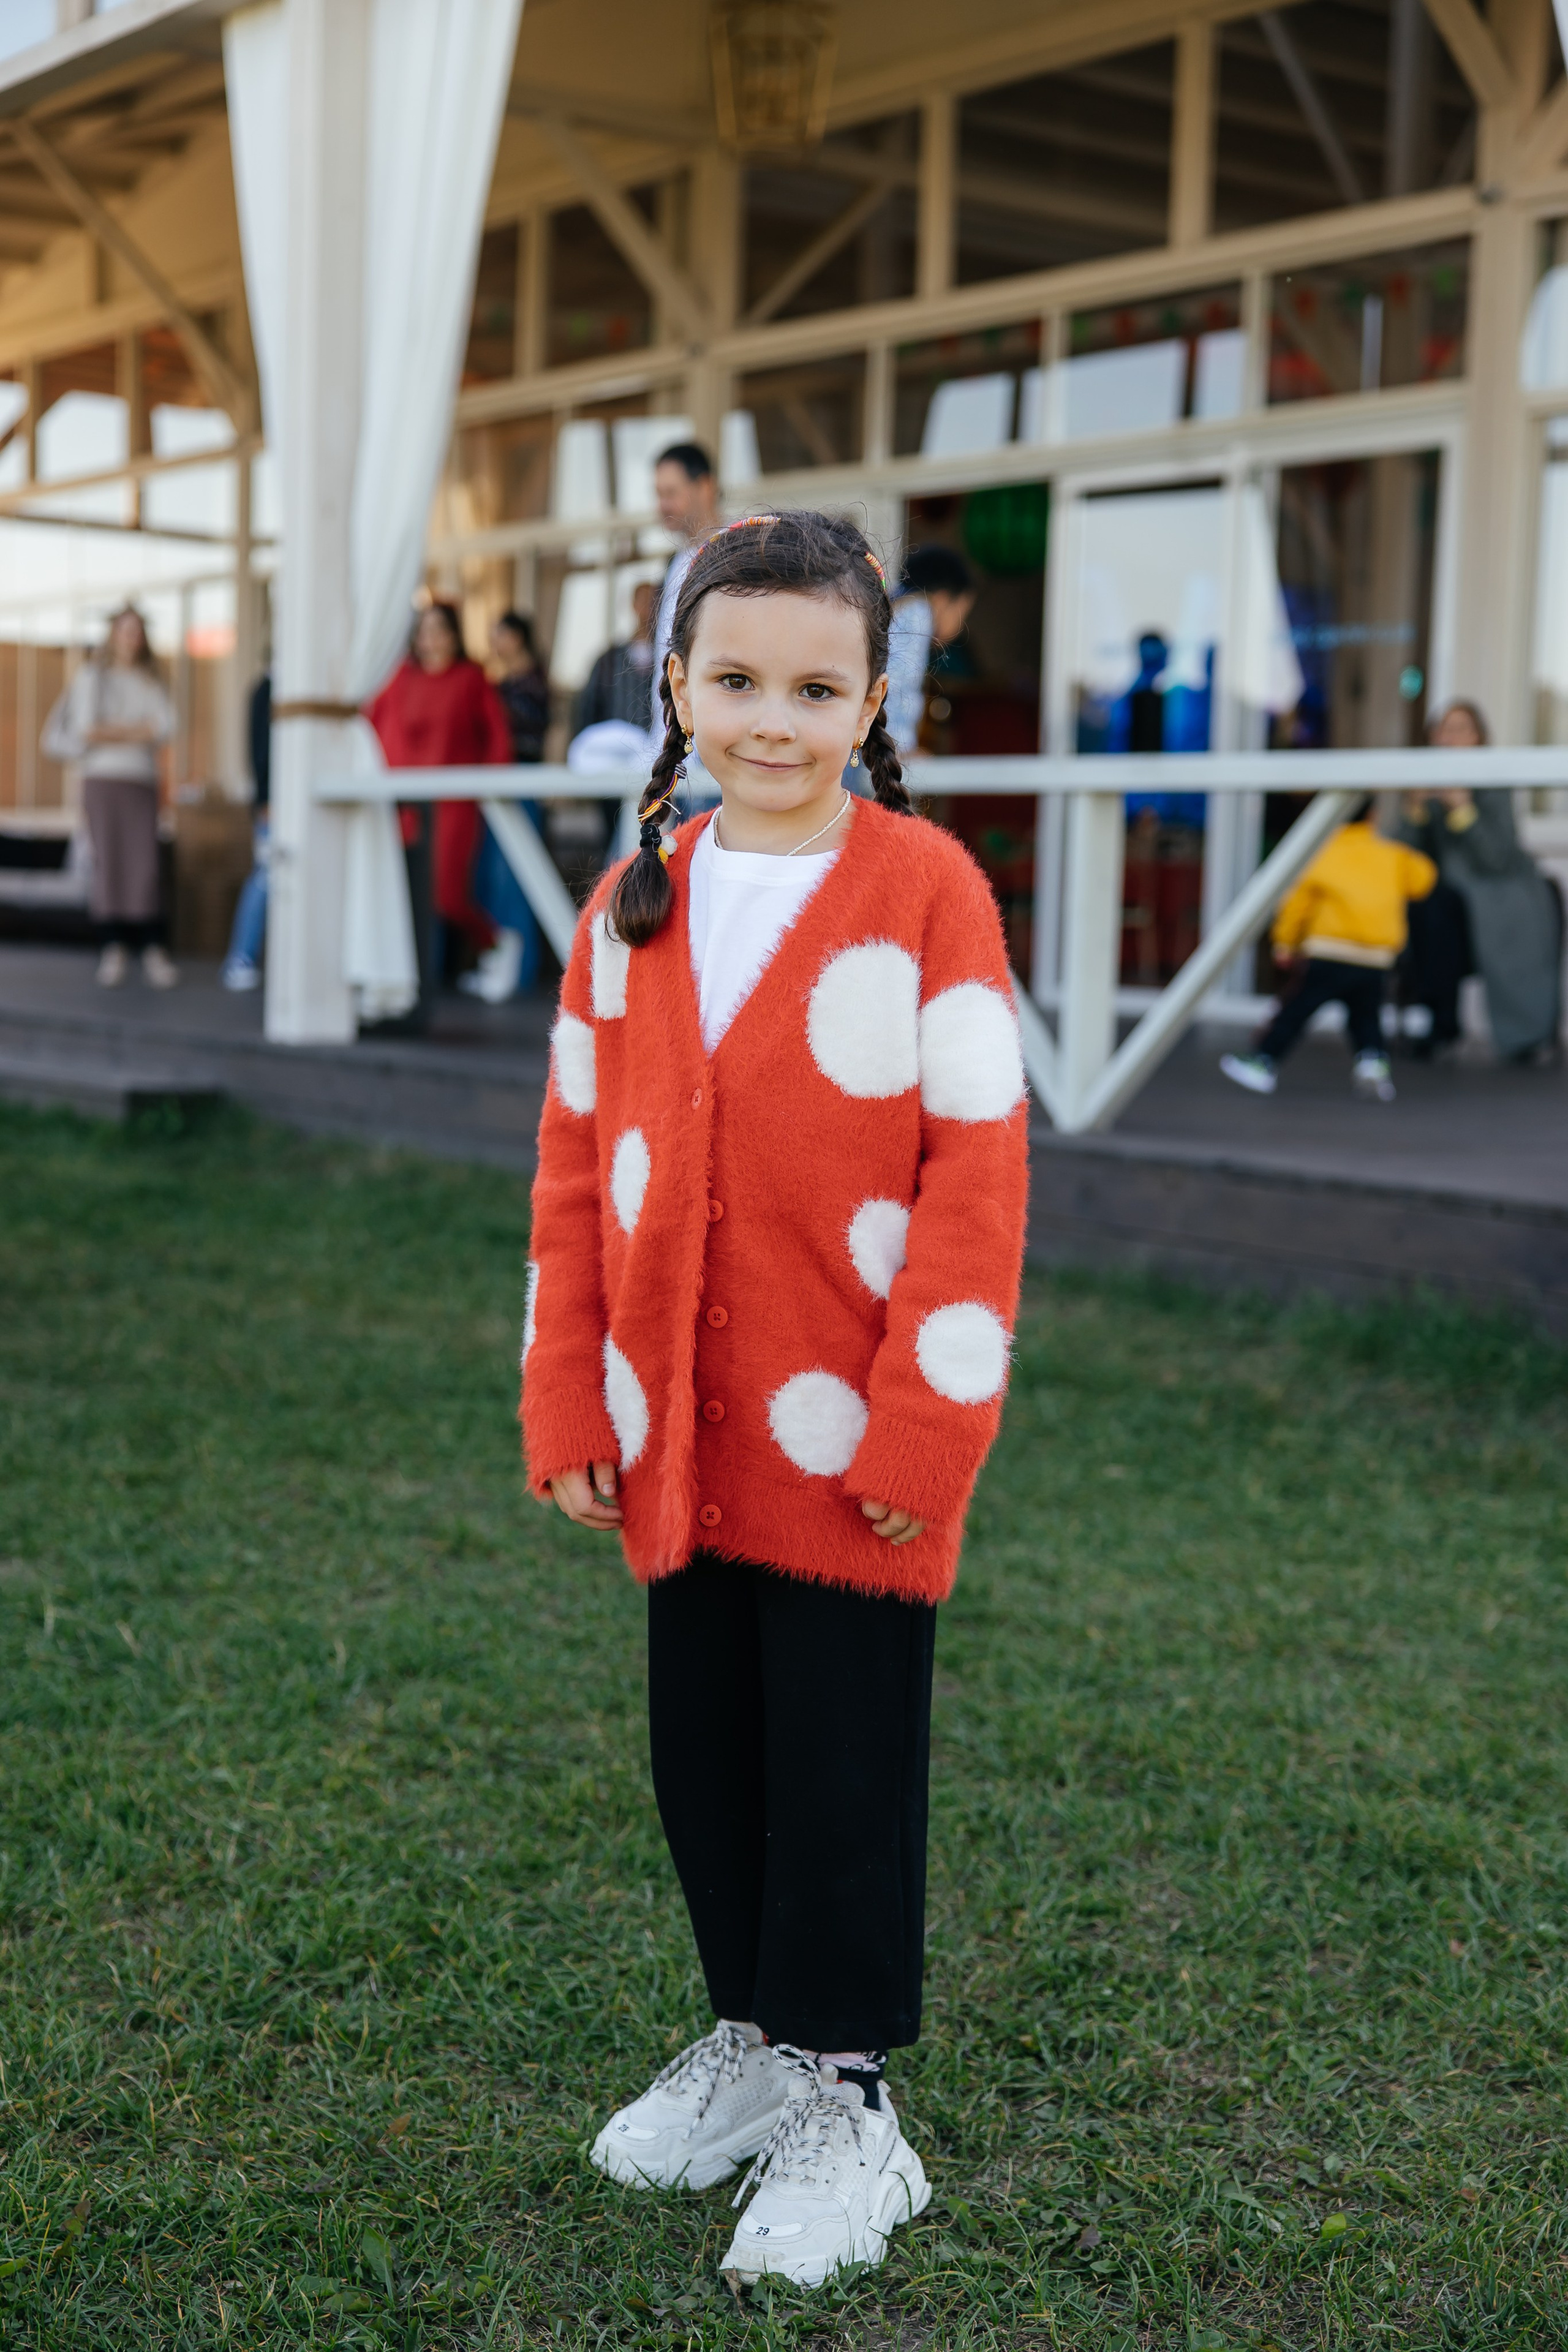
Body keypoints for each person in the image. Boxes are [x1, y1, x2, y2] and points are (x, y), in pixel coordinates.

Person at [522, 509, 1029, 2290]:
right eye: (735, 679)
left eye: (816, 689)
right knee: (709, 1753)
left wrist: (925, 1428)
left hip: (850, 1445)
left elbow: (977, 1174)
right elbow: (573, 1162)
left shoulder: (926, 891)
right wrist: (567, 1395)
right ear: (676, 685)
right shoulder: (633, 903)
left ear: (871, 702)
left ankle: (849, 2102)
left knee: (837, 1767)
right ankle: (750, 2035)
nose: (772, 719)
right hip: (680, 1433)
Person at [1221, 798, 1436, 1103]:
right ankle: (1373, 1064)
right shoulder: (1391, 853)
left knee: (1296, 1010)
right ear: (1373, 815)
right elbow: (1424, 880)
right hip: (1375, 957)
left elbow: (1297, 902)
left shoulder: (1322, 852)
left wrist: (1285, 942)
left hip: (1329, 951)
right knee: (1366, 1015)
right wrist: (1411, 831)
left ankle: (1263, 1061)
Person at [1398, 699, 1562, 1063]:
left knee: (1444, 912)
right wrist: (1414, 811)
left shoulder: (1493, 780)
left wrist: (1463, 811)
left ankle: (1525, 1036)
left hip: (1499, 893)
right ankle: (1438, 1023)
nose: (1450, 738)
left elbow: (1496, 859)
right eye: (1443, 729)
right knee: (1428, 908)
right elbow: (1404, 859)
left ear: (1478, 738)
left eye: (1460, 729)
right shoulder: (1426, 783)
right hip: (1450, 899)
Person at [366, 601, 512, 1008]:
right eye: (423, 630)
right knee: (404, 889)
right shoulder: (398, 677)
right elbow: (370, 723)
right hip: (403, 803)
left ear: (453, 635)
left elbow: (497, 736)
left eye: (438, 629)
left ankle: (497, 942)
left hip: (455, 802)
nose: (429, 638)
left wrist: (496, 785)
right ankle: (403, 979)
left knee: (446, 891)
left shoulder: (471, 677)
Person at [42, 606, 178, 989]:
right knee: (110, 862)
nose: (133, 638)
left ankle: (152, 948)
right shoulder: (92, 676)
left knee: (145, 866)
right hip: (102, 780)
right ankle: (113, 948)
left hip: (142, 782)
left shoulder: (151, 680)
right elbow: (88, 730)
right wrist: (137, 731)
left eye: (138, 631)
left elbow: (166, 726)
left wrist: (112, 732)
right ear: (113, 634)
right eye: (126, 630)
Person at [651, 442, 722, 812]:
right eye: (659, 495)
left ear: (705, 487)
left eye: (671, 493)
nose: (662, 505)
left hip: (712, 762)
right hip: (673, 757)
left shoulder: (731, 555)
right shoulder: (678, 562)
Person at [885, 545, 976, 756]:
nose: (960, 627)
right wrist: (900, 748)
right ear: (943, 600)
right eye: (962, 613)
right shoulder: (916, 613)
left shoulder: (894, 602)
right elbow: (897, 686)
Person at [222, 667, 272, 992]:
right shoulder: (266, 689)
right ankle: (241, 957)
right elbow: (258, 749)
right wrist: (265, 799)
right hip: (273, 804)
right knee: (266, 876)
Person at [572, 578, 658, 737]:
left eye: (655, 602)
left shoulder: (668, 658)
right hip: (614, 745)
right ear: (634, 605)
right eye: (645, 601)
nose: (650, 608)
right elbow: (589, 708)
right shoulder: (609, 661)